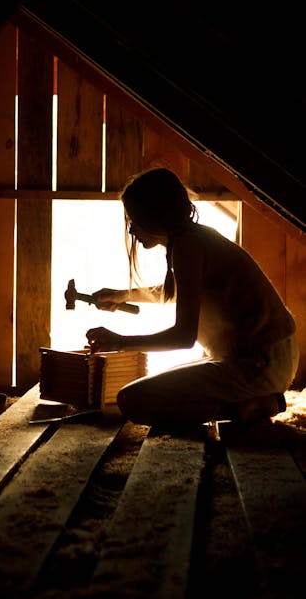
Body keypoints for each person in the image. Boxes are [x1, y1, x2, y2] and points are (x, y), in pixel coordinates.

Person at [85, 168, 298, 428]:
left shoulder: (188, 246)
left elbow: (183, 337)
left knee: (132, 400)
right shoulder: (194, 239)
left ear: (153, 214)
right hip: (267, 357)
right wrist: (123, 295)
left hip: (258, 363)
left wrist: (120, 342)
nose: (131, 231)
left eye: (134, 220)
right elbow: (177, 293)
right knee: (151, 391)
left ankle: (254, 404)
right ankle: (253, 403)